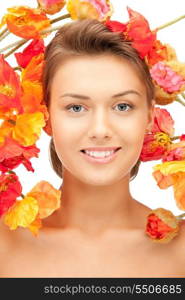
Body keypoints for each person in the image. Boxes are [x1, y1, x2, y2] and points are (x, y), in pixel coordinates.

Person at [0, 19, 185, 278]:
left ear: (149, 117)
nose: (100, 130)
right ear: (46, 116)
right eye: (76, 108)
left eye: (122, 106)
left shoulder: (181, 252)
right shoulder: (4, 248)